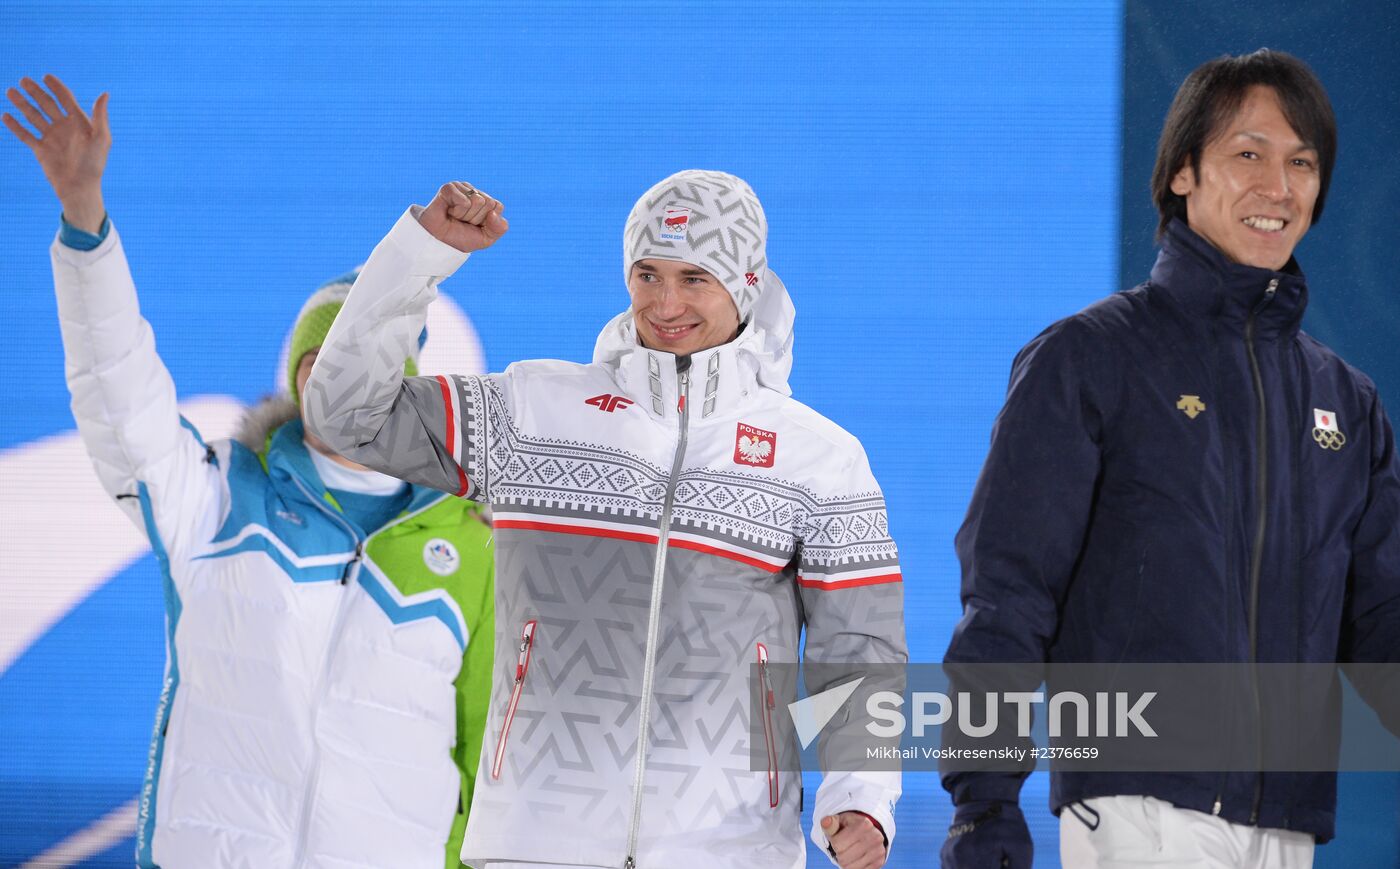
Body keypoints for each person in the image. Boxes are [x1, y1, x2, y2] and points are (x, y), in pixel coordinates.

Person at [301, 170, 907, 869]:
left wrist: (860, 795)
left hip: (730, 850)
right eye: (647, 274)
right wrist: (419, 256)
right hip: (534, 843)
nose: (665, 302)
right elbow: (345, 412)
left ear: (745, 283)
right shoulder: (532, 412)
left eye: (694, 278)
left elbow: (860, 653)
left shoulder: (821, 459)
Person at [4, 74, 495, 869]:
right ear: (294, 377)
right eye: (319, 362)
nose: (338, 382)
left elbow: (489, 773)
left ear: (404, 386)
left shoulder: (471, 549)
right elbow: (119, 390)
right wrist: (85, 223)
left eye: (363, 364)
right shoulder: (218, 496)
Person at [939, 49, 1400, 869]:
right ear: (1183, 172)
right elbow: (1009, 593)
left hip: (1288, 822)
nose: (1280, 188)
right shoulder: (1090, 357)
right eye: (1248, 155)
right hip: (1137, 809)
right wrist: (984, 798)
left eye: (1302, 163)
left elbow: (1382, 626)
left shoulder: (1347, 400)